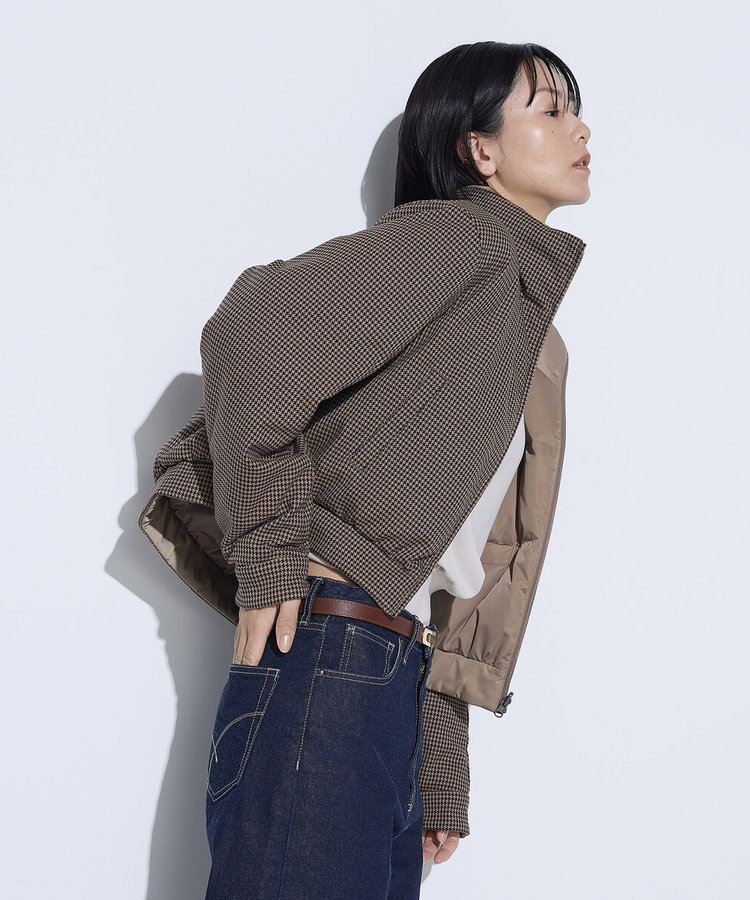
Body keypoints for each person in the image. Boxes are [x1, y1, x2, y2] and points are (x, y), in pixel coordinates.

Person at [138, 39, 590, 899]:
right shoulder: (462, 241)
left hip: (392, 686)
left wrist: (440, 758)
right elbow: (253, 334)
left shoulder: (534, 341)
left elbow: (453, 566)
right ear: (479, 149)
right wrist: (270, 556)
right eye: (551, 108)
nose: (581, 128)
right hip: (327, 659)